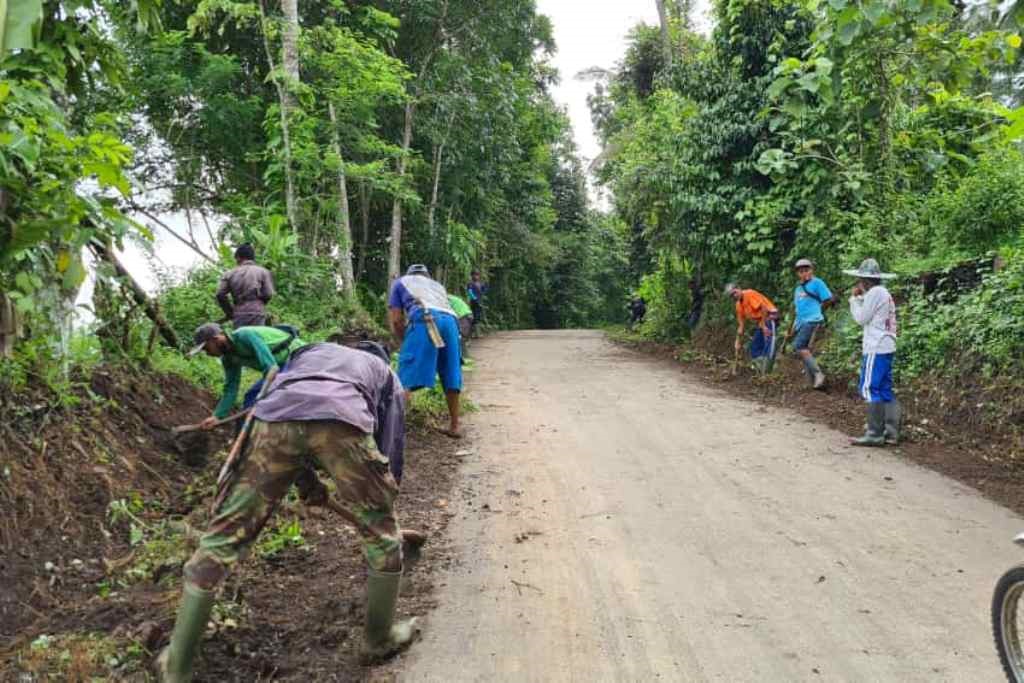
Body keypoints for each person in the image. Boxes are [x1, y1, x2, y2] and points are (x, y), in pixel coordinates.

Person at [156, 343, 416, 682]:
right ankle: (378, 640)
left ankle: (177, 667)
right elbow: (389, 444)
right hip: (342, 415)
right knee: (382, 538)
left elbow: (294, 421)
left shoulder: (308, 352)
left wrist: (306, 482)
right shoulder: (385, 374)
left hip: (273, 417)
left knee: (220, 542)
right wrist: (382, 504)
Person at [388, 265, 463, 438]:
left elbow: (397, 319)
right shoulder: (437, 286)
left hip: (426, 319)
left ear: (410, 274)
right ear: (426, 276)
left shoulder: (400, 282)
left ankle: (394, 430)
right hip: (451, 322)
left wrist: (404, 340)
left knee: (406, 374)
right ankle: (455, 426)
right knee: (451, 372)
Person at [190, 323, 306, 431]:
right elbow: (231, 389)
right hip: (279, 367)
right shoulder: (228, 358)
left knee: (275, 394)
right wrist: (217, 416)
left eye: (206, 348)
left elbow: (271, 368)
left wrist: (263, 393)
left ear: (216, 339)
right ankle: (248, 439)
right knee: (251, 397)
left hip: (298, 357)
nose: (208, 353)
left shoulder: (245, 335)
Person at [844, 258, 901, 447]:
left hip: (875, 346)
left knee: (869, 388)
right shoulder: (882, 292)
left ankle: (874, 433)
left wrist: (853, 300)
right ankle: (891, 432)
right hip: (887, 344)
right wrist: (861, 298)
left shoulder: (875, 292)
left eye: (861, 280)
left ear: (865, 280)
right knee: (884, 388)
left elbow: (861, 318)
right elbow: (871, 309)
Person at [786, 258, 836, 390]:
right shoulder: (798, 289)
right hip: (802, 322)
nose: (804, 273)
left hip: (813, 320)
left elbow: (828, 299)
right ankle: (811, 382)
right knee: (806, 351)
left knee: (799, 346)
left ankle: (819, 374)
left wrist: (818, 310)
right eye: (801, 271)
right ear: (798, 273)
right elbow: (798, 310)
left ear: (811, 270)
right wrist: (793, 328)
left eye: (806, 270)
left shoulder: (817, 283)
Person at [216, 244, 275, 329]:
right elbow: (268, 294)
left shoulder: (229, 274)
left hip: (239, 313)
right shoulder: (263, 272)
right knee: (256, 338)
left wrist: (230, 312)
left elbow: (220, 294)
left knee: (241, 339)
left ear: (238, 257)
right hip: (257, 312)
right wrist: (259, 304)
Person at [726, 283, 780, 374]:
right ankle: (760, 368)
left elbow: (763, 308)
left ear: (739, 288)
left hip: (770, 318)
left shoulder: (749, 294)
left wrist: (763, 326)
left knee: (768, 344)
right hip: (761, 323)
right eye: (732, 296)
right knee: (754, 347)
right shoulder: (738, 305)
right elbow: (741, 326)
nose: (734, 296)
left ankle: (768, 371)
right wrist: (737, 341)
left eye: (735, 293)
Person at [448, 293, 474, 361]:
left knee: (460, 337)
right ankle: (463, 356)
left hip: (463, 316)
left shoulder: (447, 299)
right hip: (467, 315)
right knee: (461, 337)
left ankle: (464, 357)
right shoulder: (452, 298)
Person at [467, 271, 487, 337]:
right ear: (472, 276)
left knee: (478, 317)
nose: (476, 276)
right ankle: (474, 333)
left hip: (479, 301)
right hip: (474, 302)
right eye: (474, 275)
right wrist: (474, 298)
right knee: (475, 317)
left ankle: (476, 333)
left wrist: (485, 285)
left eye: (477, 275)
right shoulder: (470, 283)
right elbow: (469, 292)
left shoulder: (480, 283)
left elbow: (483, 291)